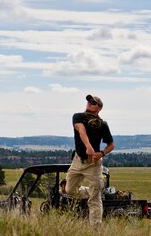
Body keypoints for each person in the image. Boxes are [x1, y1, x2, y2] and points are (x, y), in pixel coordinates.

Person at [65, 94, 115, 227]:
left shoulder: (103, 124)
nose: (89, 103)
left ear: (99, 108)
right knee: (69, 190)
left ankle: (96, 230)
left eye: (93, 102)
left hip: (93, 164)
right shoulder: (78, 116)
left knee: (95, 200)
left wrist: (102, 153)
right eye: (88, 101)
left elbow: (111, 145)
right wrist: (88, 146)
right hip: (78, 160)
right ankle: (92, 190)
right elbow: (81, 130)